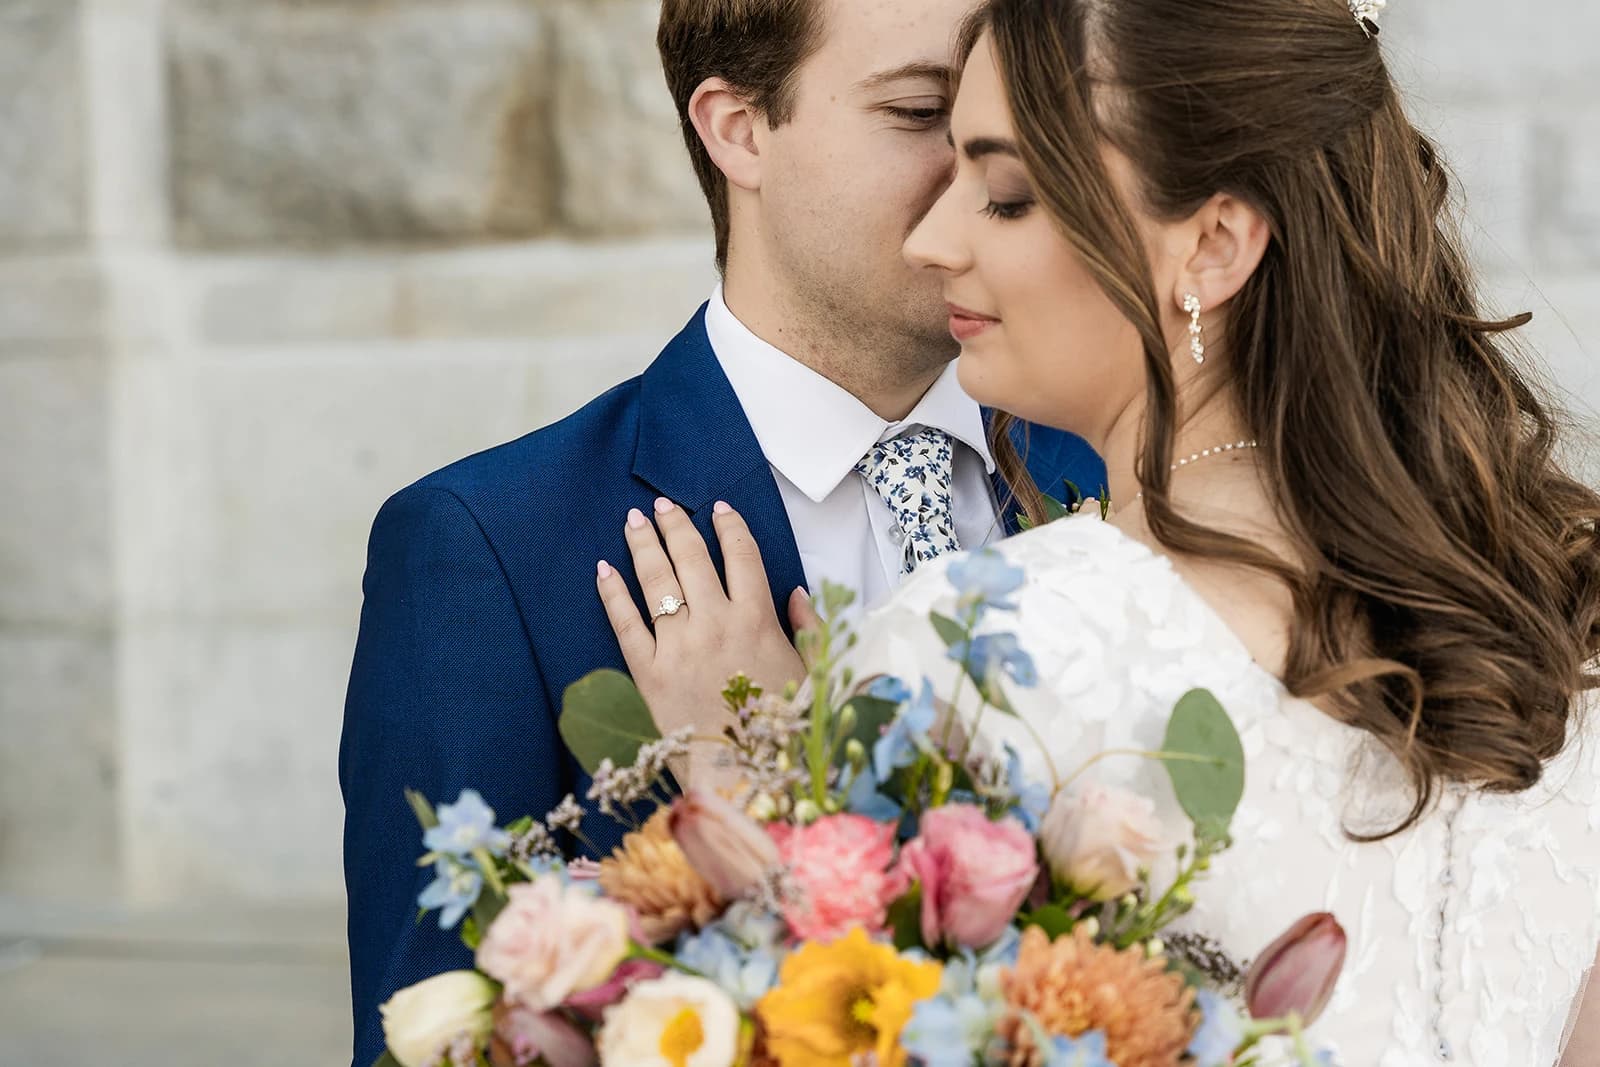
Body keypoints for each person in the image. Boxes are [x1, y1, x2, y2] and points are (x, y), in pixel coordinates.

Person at [599, 0, 1600, 1061]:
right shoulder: (1558, 612)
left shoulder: (973, 649)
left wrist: (749, 777)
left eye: (1005, 195)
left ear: (1213, 244)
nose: (936, 239)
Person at [337, 0, 1102, 1061]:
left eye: (1005, 125)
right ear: (738, 128)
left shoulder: (1120, 470)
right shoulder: (490, 549)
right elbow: (437, 1033)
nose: (980, 184)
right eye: (923, 112)